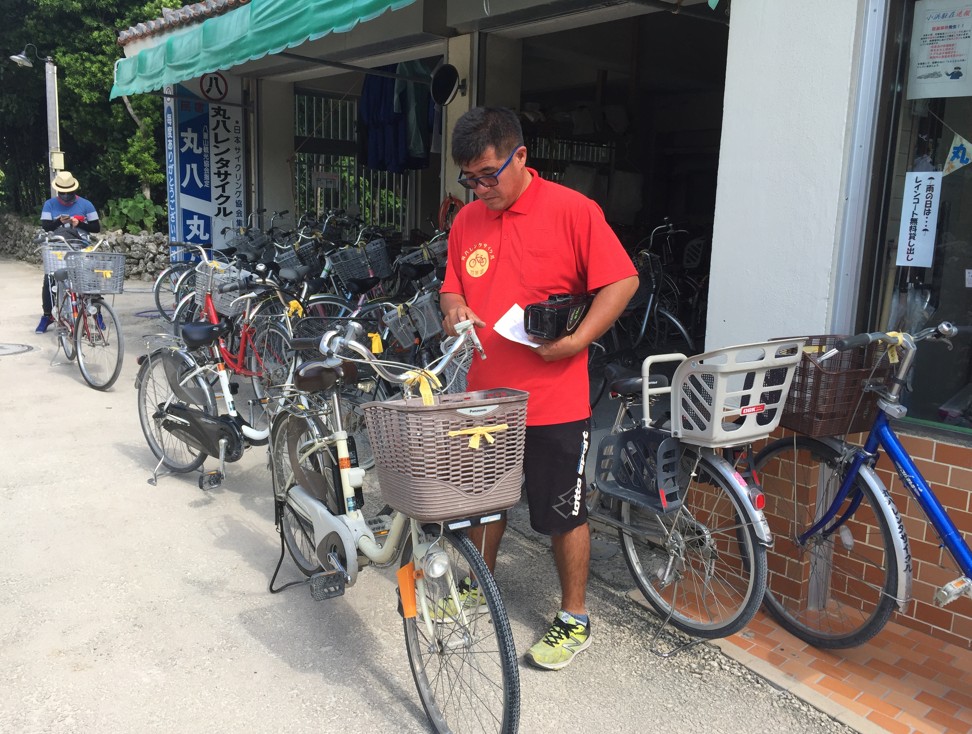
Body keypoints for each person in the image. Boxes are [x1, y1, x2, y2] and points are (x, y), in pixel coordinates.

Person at [439, 107, 639, 670]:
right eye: (469, 179)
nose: (479, 189)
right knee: (483, 504)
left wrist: (578, 342)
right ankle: (480, 585)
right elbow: (451, 290)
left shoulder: (573, 211)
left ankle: (574, 617)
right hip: (487, 396)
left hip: (554, 400)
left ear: (520, 156)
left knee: (563, 512)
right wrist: (455, 313)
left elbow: (622, 280)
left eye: (487, 175)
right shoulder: (467, 221)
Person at [36, 171, 101, 333]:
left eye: (68, 192)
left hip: (80, 246)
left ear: (74, 190)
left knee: (90, 278)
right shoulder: (50, 204)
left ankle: (96, 312)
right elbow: (46, 226)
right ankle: (47, 315)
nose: (65, 195)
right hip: (57, 247)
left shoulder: (86, 204)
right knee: (50, 278)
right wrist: (58, 221)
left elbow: (96, 228)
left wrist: (79, 223)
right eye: (62, 192)